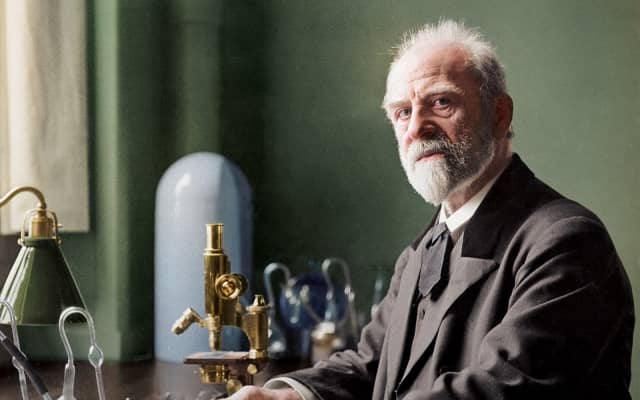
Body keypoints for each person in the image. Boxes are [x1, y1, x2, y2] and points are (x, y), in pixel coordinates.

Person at [229, 19, 635, 400]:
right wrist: (285, 395)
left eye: (441, 102)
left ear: (499, 115)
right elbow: (371, 365)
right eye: (402, 112)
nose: (416, 127)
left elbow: (500, 389)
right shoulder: (423, 250)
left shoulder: (566, 242)